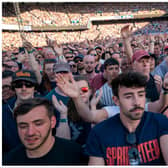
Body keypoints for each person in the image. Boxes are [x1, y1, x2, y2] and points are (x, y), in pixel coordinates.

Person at [85, 71, 168, 165]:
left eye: (141, 95)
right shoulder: (99, 133)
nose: (137, 102)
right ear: (116, 100)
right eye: (128, 97)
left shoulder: (160, 122)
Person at [3, 98, 86, 165]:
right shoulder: (8, 161)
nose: (30, 132)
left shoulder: (75, 155)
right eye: (23, 126)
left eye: (38, 124)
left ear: (52, 122)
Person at [2, 69, 40, 155]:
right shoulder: (3, 112)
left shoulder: (47, 107)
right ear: (13, 88)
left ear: (35, 87)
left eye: (28, 84)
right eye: (19, 85)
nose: (23, 88)